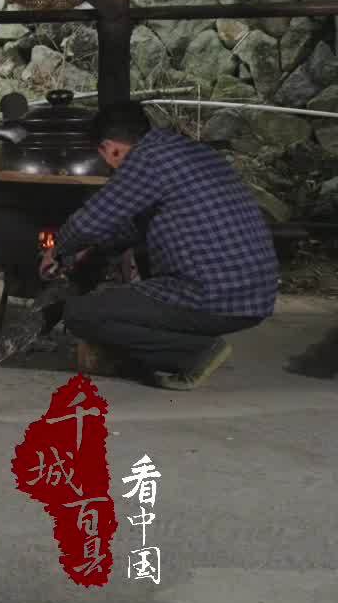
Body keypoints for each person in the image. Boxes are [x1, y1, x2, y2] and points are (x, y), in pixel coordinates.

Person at [41, 101, 278, 390]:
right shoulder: (183, 151)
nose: (109, 165)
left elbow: (91, 220)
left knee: (82, 313)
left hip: (211, 296)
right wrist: (93, 247)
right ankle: (175, 350)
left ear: (110, 148)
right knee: (128, 285)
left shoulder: (147, 159)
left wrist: (57, 250)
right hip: (255, 295)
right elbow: (130, 226)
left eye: (105, 157)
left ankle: (193, 352)